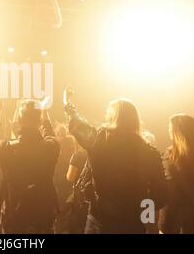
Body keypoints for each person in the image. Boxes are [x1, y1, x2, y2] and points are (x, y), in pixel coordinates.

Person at [63, 88, 167, 233]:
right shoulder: (150, 152)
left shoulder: (99, 140)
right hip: (132, 223)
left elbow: (77, 126)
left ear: (112, 118)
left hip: (99, 221)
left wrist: (68, 106)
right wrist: (143, 208)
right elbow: (161, 195)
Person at [0, 99, 60, 234]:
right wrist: (45, 114)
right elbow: (50, 134)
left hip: (14, 217)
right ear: (39, 121)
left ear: (19, 121)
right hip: (43, 217)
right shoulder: (51, 147)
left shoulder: (6, 148)